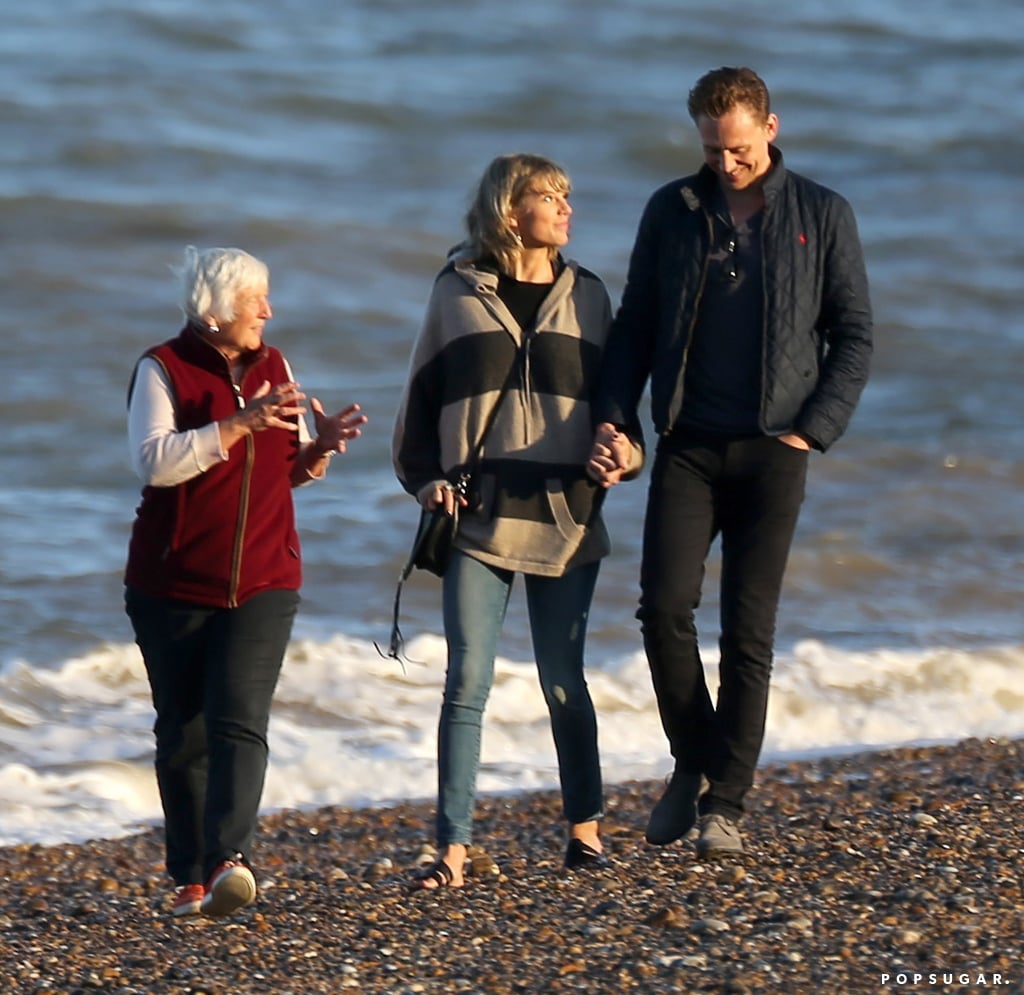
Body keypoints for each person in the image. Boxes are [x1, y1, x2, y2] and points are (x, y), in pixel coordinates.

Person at [591, 66, 872, 858]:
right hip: (687, 443)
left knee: (748, 631)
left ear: (770, 129)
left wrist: (812, 430)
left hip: (774, 448)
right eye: (713, 149)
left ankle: (727, 803)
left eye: (739, 149)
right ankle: (694, 756)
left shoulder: (823, 212)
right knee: (663, 609)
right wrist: (613, 417)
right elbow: (637, 325)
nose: (726, 164)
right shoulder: (672, 212)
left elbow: (853, 335)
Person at [393, 153, 638, 889]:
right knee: (466, 680)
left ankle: (587, 835)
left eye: (568, 195)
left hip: (565, 514)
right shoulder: (455, 294)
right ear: (509, 211)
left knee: (565, 680)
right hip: (477, 515)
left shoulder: (590, 296)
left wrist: (626, 453)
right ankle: (453, 849)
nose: (566, 209)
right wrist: (426, 480)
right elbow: (419, 405)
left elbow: (621, 414)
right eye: (549, 197)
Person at [124, 245, 367, 917]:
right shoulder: (162, 368)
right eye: (254, 299)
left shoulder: (276, 365)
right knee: (182, 733)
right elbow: (154, 462)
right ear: (214, 310)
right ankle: (191, 875)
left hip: (266, 575)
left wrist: (317, 450)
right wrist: (233, 424)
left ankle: (231, 859)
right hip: (170, 580)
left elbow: (275, 474)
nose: (268, 309)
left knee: (239, 718)